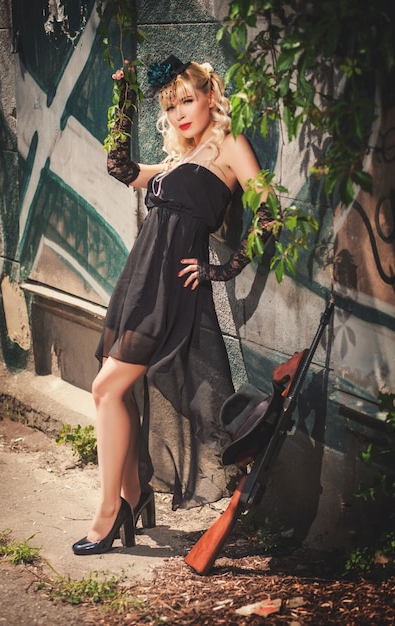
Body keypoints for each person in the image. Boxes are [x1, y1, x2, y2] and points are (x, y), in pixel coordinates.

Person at [72, 56, 274, 555]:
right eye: (171, 104)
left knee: (106, 387)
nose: (181, 112)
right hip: (141, 279)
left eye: (188, 99)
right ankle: (134, 497)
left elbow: (270, 211)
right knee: (110, 389)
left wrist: (222, 270)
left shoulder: (229, 146)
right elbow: (119, 167)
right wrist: (122, 102)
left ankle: (112, 509)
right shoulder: (176, 159)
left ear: (210, 97)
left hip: (173, 289)